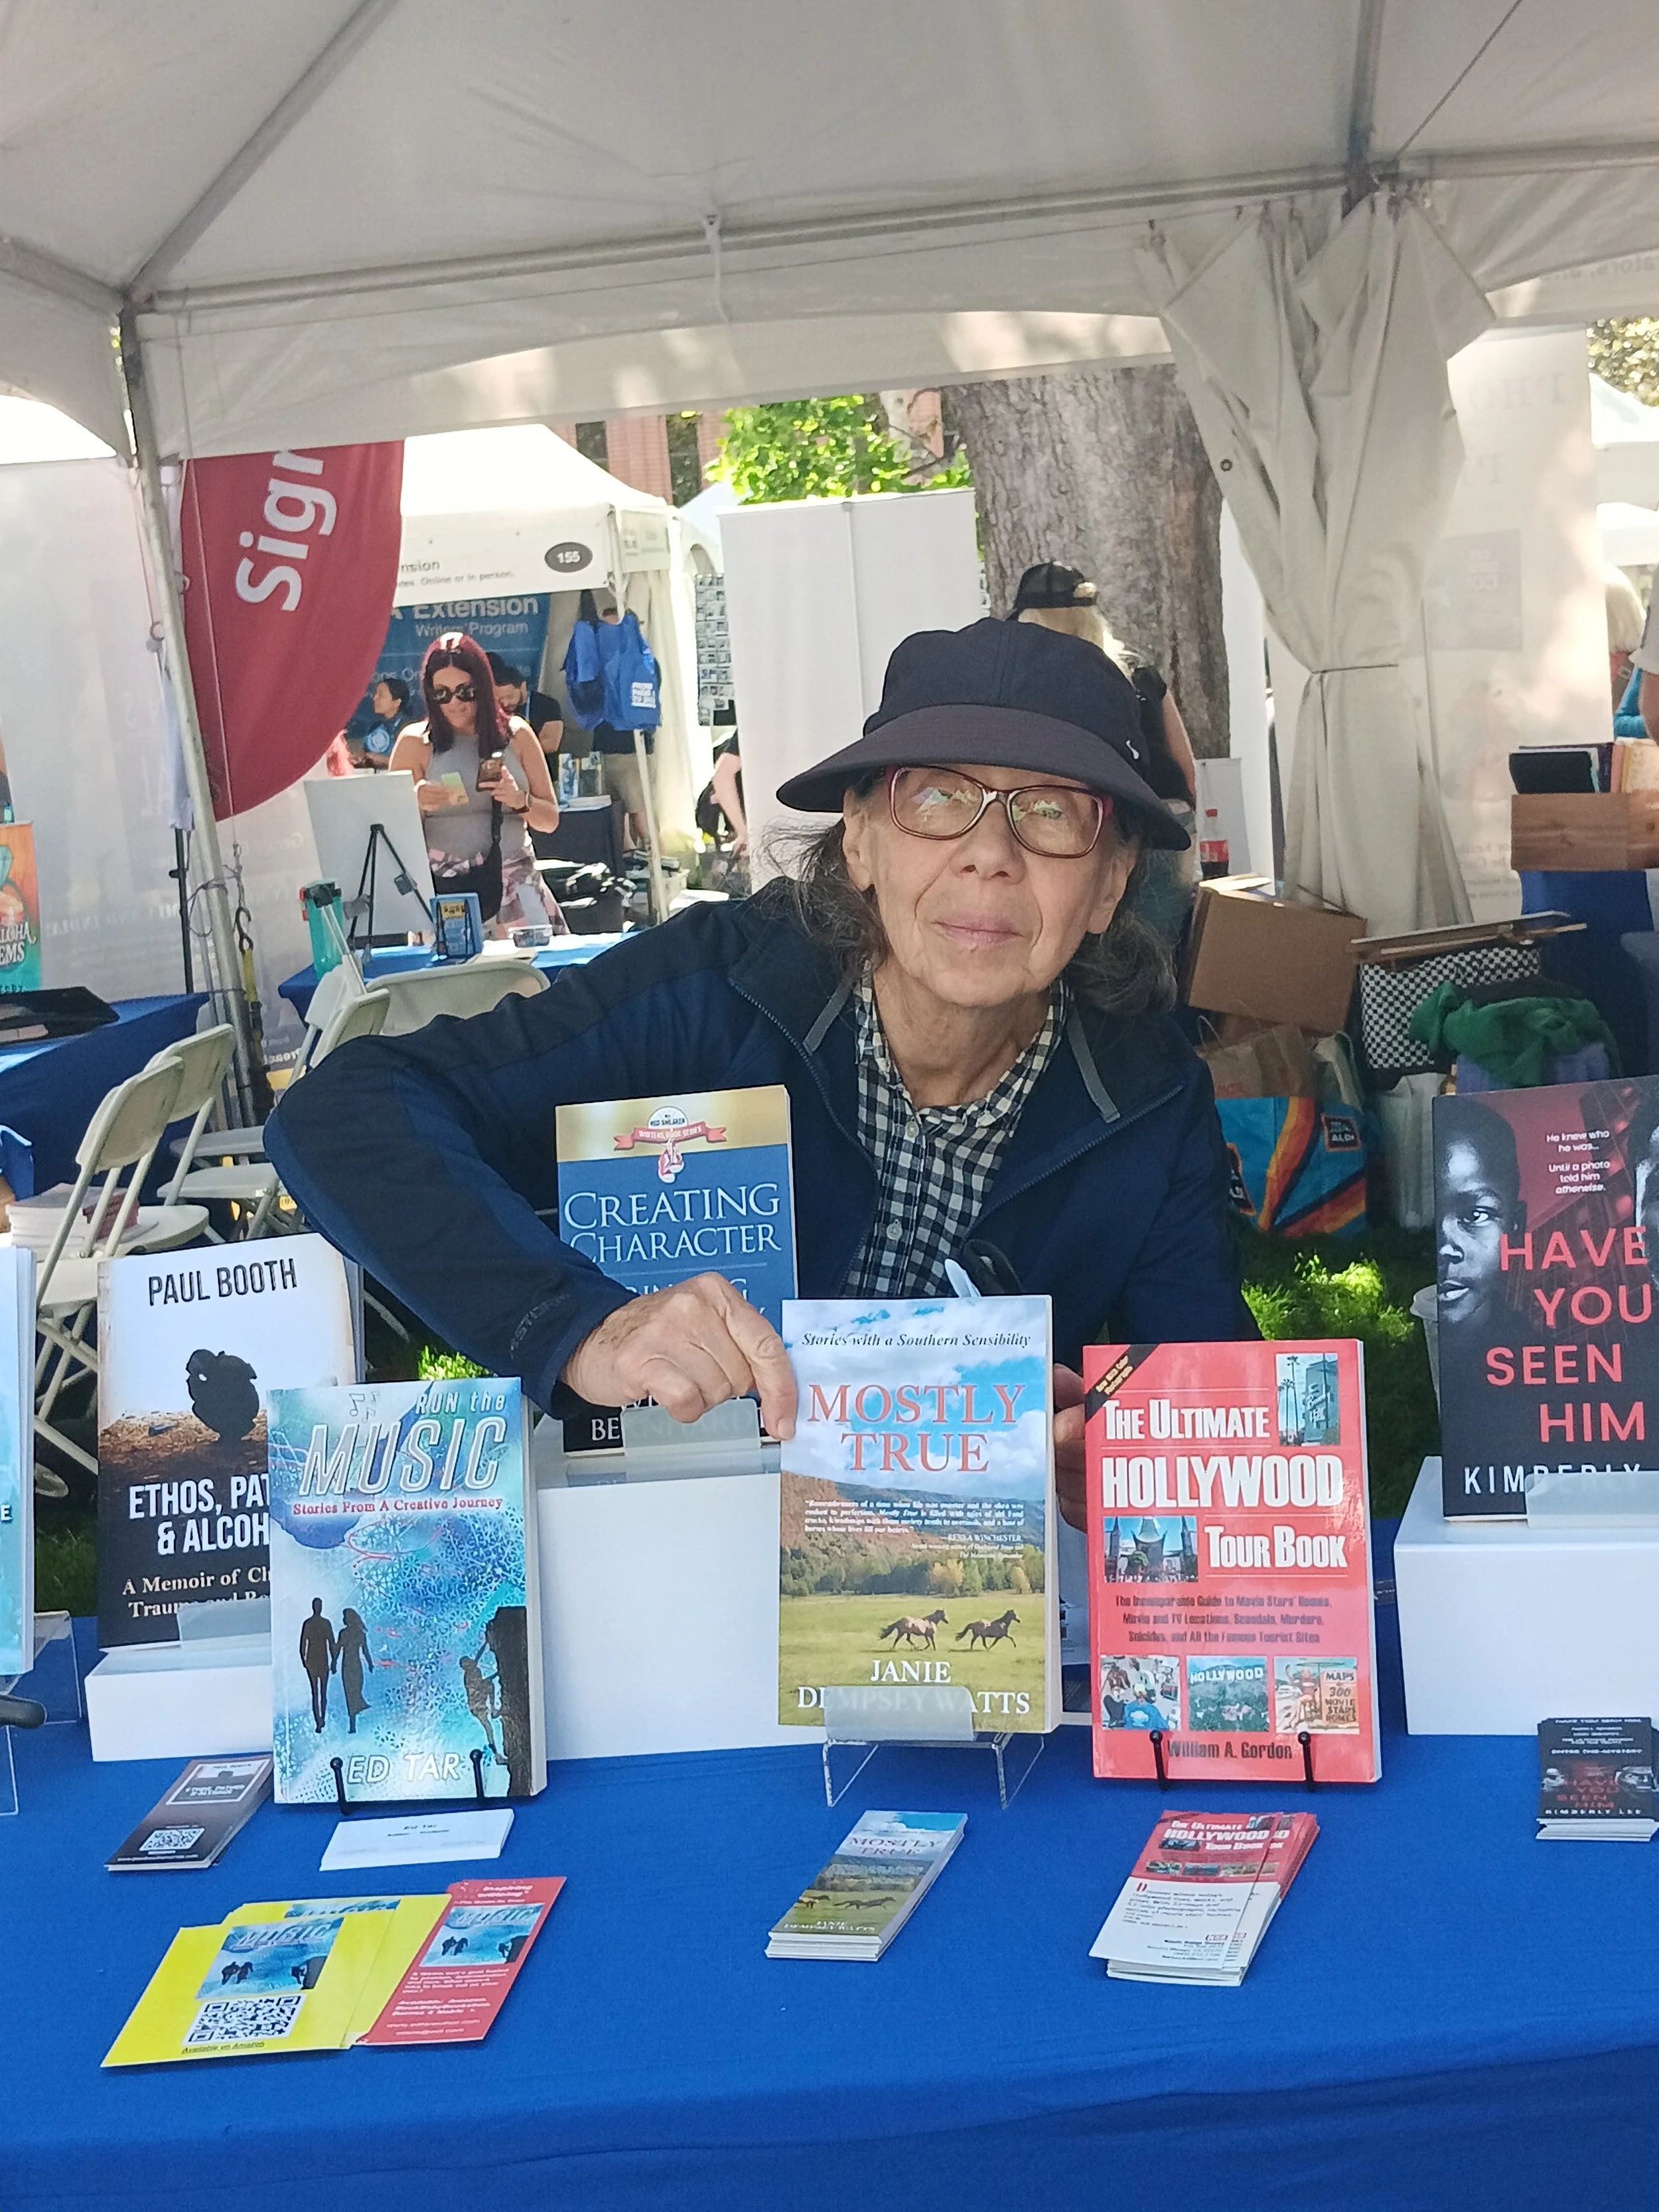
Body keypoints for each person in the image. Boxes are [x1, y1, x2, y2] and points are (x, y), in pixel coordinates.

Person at [268, 618, 1256, 1532]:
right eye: (939, 798)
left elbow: (1215, 1410)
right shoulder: (712, 991)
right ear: (860, 840)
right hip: (669, 1565)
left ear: (1111, 883)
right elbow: (346, 1116)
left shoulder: (1147, 1096)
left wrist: (1130, 1462)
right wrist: (586, 1327)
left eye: (1052, 813)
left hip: (957, 1617)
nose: (989, 855)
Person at [1011, 562, 1200, 953]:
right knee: (1163, 952)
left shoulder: (1035, 691)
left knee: (1097, 959)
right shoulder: (1138, 674)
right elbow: (1185, 767)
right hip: (1164, 816)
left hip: (1091, 824)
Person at [388, 632, 566, 936]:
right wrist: (413, 805)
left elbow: (549, 821)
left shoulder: (517, 734)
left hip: (514, 882)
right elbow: (390, 839)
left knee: (534, 979)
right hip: (445, 892)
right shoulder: (414, 743)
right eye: (441, 693)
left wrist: (519, 799)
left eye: (464, 692)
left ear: (482, 688)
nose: (454, 703)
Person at [1435, 1100, 1524, 1345]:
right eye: (1430, 1218)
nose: (1444, 1248)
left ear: (1516, 1225)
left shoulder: (1538, 1359)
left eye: (1475, 1216)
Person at [487, 654, 565, 765]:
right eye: (499, 699)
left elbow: (550, 745)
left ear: (522, 687)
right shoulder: (492, 710)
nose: (505, 703)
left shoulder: (547, 705)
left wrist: (511, 750)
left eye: (510, 697)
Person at [332, 1607, 374, 1733]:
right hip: (349, 1666)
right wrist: (333, 1663)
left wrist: (370, 1663)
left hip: (353, 1665)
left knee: (355, 1691)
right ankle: (352, 1724)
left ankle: (356, 1716)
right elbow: (338, 1650)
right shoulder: (345, 1633)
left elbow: (365, 1650)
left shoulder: (358, 1633)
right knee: (350, 1693)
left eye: (345, 1617)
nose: (343, 1619)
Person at [299, 1598, 336, 1733]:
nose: (318, 1607)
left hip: (322, 1661)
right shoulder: (309, 1624)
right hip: (313, 1662)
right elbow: (303, 1644)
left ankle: (322, 1719)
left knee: (322, 1693)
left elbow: (332, 1643)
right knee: (316, 1692)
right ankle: (318, 1721)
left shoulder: (325, 1623)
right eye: (317, 1605)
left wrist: (333, 1661)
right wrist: (304, 1661)